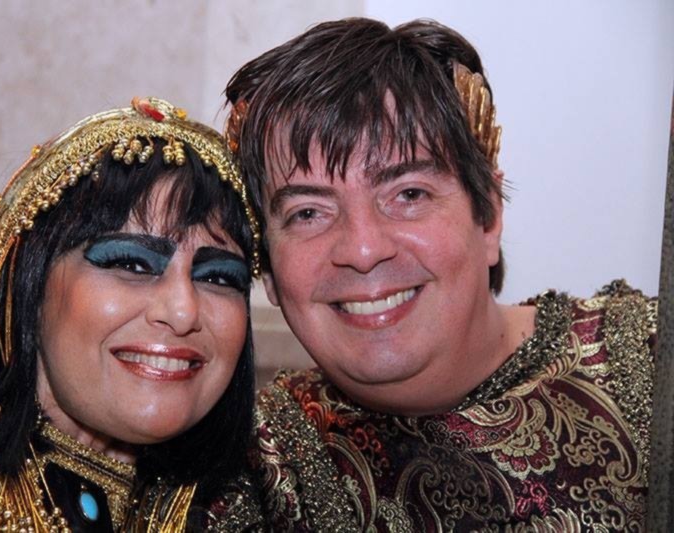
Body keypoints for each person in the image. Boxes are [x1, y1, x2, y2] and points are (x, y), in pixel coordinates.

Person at [221, 18, 657, 531]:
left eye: (408, 194)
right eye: (309, 213)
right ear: (268, 270)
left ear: (488, 217)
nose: (363, 250)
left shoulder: (646, 361)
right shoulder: (243, 468)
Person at [0, 96, 264, 532]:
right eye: (132, 264)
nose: (183, 310)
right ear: (30, 285)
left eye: (219, 277)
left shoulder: (240, 510)